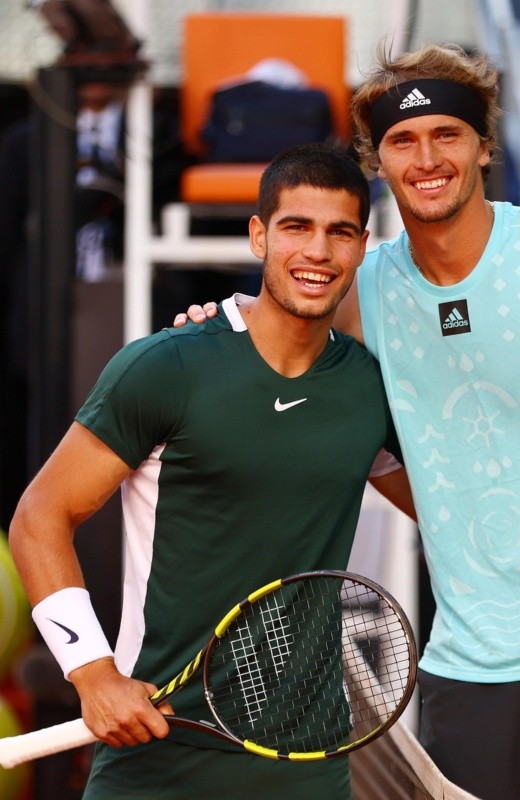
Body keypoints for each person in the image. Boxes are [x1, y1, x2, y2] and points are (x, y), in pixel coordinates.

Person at [175, 44, 520, 800]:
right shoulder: (360, 299)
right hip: (470, 670)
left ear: (484, 145)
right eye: (403, 140)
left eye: (448, 134)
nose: (427, 157)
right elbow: (277, 363)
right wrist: (209, 321)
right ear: (377, 157)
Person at [9, 142, 412, 800]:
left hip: (309, 763)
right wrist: (91, 673)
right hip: (156, 758)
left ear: (362, 247)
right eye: (296, 228)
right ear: (259, 235)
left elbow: (453, 511)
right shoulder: (167, 367)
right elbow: (40, 519)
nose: (318, 252)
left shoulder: (369, 387)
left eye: (339, 232)